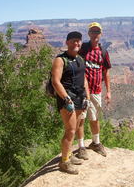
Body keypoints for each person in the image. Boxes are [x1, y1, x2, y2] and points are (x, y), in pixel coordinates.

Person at [51, 31, 91, 175]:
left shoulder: (80, 59)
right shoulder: (60, 60)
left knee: (78, 125)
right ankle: (64, 162)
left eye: (78, 41)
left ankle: (68, 155)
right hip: (67, 98)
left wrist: (87, 97)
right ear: (67, 42)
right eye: (73, 41)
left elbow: (84, 79)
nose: (76, 43)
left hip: (80, 97)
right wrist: (66, 99)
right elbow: (55, 81)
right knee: (70, 130)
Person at [77, 22, 112, 159]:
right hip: (81, 90)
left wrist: (108, 91)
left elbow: (106, 73)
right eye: (92, 31)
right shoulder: (82, 49)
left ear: (100, 34)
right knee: (81, 119)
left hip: (96, 90)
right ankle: (80, 147)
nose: (95, 34)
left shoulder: (103, 52)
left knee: (94, 118)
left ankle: (96, 143)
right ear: (88, 33)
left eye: (97, 31)